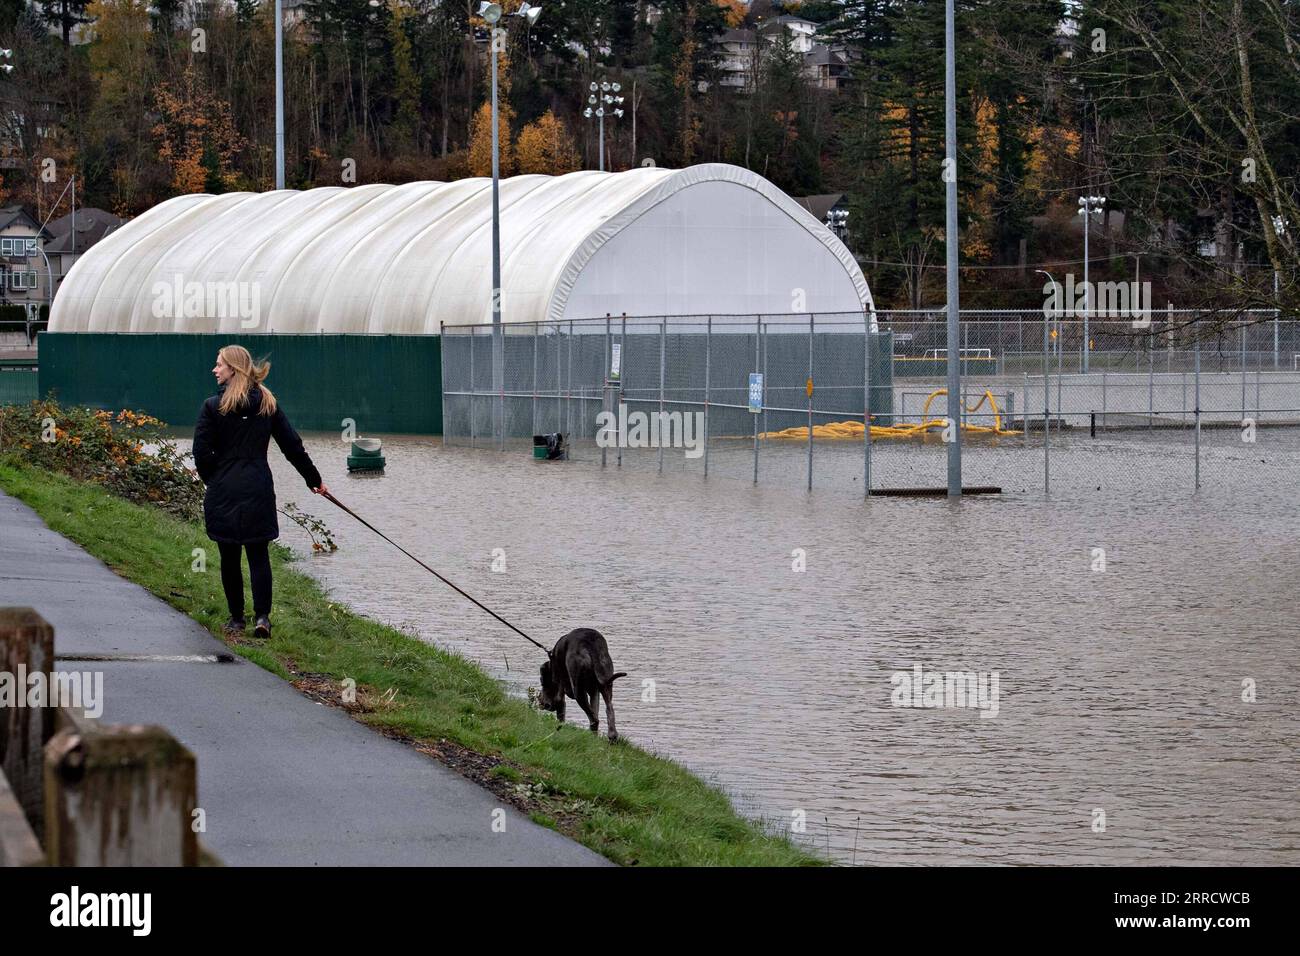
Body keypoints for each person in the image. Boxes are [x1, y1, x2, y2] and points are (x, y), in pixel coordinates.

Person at [192, 345, 328, 639]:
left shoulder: (212, 407)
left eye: (219, 365)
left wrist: (213, 480)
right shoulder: (268, 405)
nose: (215, 370)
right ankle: (263, 618)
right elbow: (292, 446)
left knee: (229, 555)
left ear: (233, 369)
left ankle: (237, 619)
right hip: (258, 486)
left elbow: (201, 454)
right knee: (258, 554)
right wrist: (313, 479)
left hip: (224, 488)